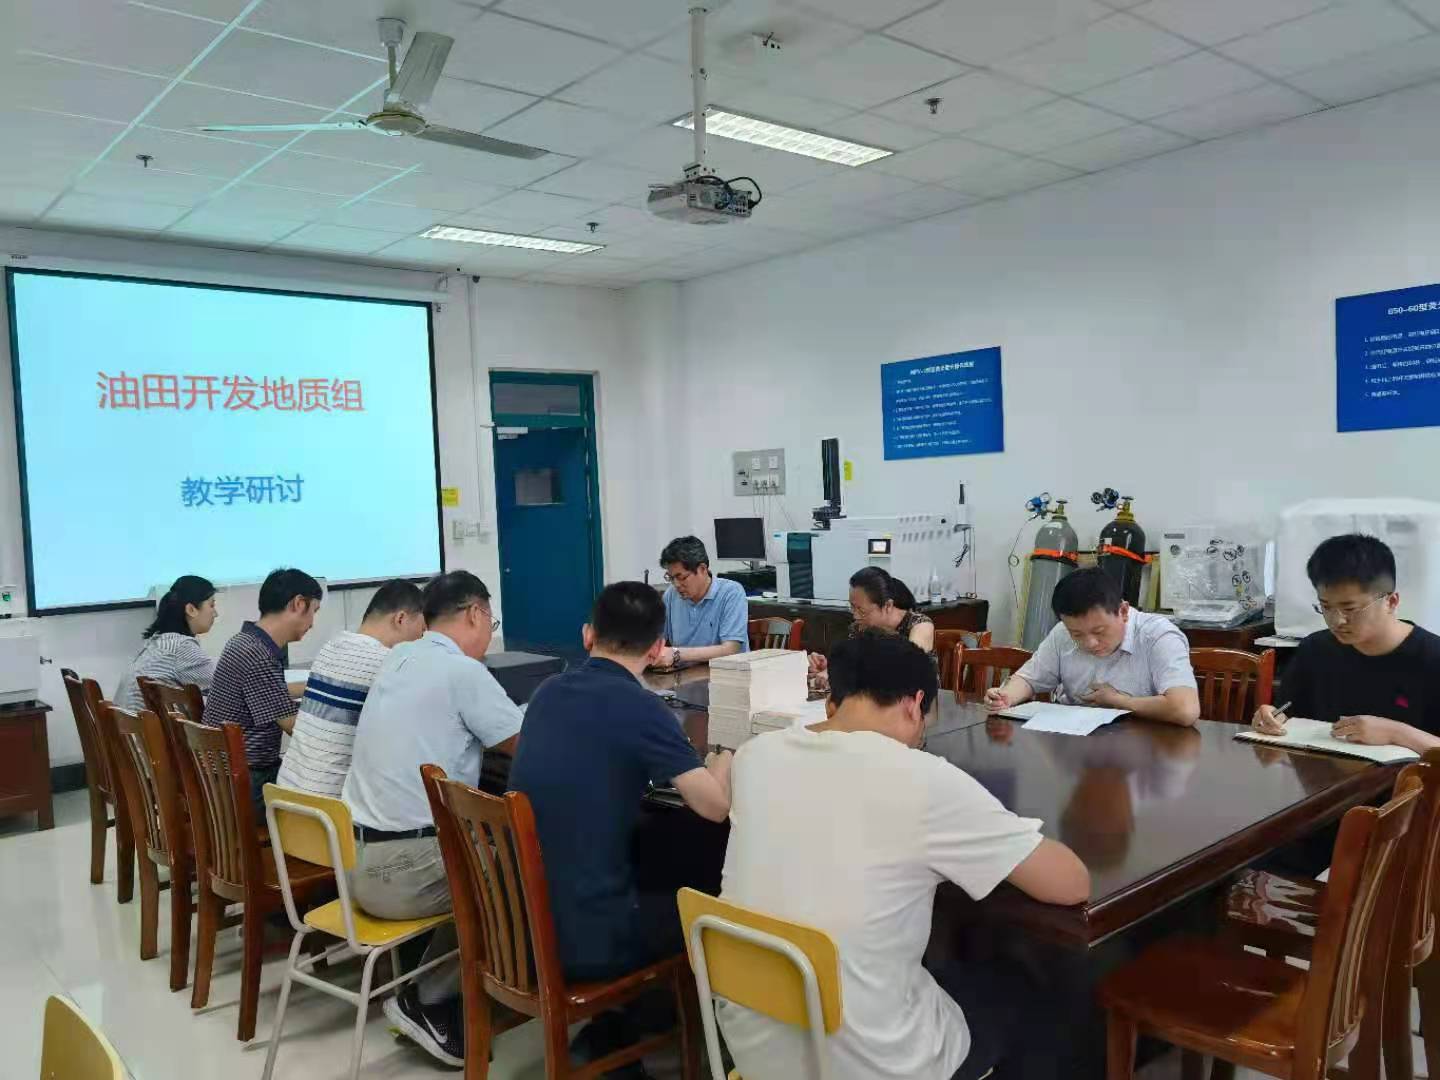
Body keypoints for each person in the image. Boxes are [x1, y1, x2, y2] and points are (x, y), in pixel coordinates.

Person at [718, 634, 1090, 1080]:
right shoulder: (923, 779)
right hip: (872, 1063)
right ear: (915, 704)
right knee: (1028, 988)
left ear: (833, 700)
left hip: (755, 1049)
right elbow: (1071, 884)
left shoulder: (756, 756)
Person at [510, 582, 733, 1072]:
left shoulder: (547, 692)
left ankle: (618, 1028)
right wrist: (726, 750)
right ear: (657, 649)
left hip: (523, 924)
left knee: (662, 852)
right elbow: (715, 807)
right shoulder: (642, 707)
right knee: (707, 895)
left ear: (588, 635)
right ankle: (663, 1034)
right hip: (586, 940)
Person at [342, 571, 523, 1068]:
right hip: (402, 874)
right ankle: (426, 997)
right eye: (491, 622)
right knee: (521, 875)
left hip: (351, 859)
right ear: (475, 614)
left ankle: (440, 986)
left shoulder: (398, 657)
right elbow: (525, 745)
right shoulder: (462, 673)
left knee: (487, 851)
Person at [1252, 534, 1440, 751]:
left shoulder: (1432, 658)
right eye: (1326, 607)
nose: (1337, 621)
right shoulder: (1314, 650)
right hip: (1326, 770)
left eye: (1350, 609)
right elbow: (1288, 715)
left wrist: (1396, 733)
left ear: (1391, 601)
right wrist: (1271, 718)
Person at [986, 568, 1200, 727]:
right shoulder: (1062, 632)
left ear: (1123, 612)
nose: (1090, 643)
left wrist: (1119, 701)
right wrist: (1006, 697)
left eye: (1099, 631)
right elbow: (1029, 679)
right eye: (1077, 634)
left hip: (1145, 746)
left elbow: (1184, 709)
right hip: (1076, 742)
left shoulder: (1158, 636)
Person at [275, 580, 426, 797]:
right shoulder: (388, 662)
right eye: (421, 630)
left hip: (285, 795)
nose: (420, 639)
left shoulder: (331, 646)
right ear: (400, 619)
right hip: (329, 807)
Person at [205, 568, 322, 810]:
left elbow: (271, 691)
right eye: (314, 611)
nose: (313, 623)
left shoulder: (244, 641)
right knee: (329, 793)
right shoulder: (258, 654)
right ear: (299, 604)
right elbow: (295, 727)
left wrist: (316, 686)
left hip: (224, 777)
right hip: (245, 784)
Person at [810, 567, 935, 685]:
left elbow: (905, 670)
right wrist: (829, 668)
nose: (855, 616)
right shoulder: (860, 627)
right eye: (852, 607)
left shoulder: (920, 626)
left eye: (861, 610)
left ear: (887, 606)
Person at [113, 575, 218, 712]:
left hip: (128, 723)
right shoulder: (182, 647)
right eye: (211, 605)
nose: (215, 613)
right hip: (146, 725)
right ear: (191, 609)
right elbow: (227, 686)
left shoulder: (157, 641)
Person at [656, 535, 749, 666]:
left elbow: (731, 649)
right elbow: (656, 641)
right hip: (684, 676)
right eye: (671, 578)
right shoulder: (671, 595)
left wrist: (676, 654)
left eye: (681, 577)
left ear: (702, 569)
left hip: (726, 674)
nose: (676, 584)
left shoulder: (731, 593)